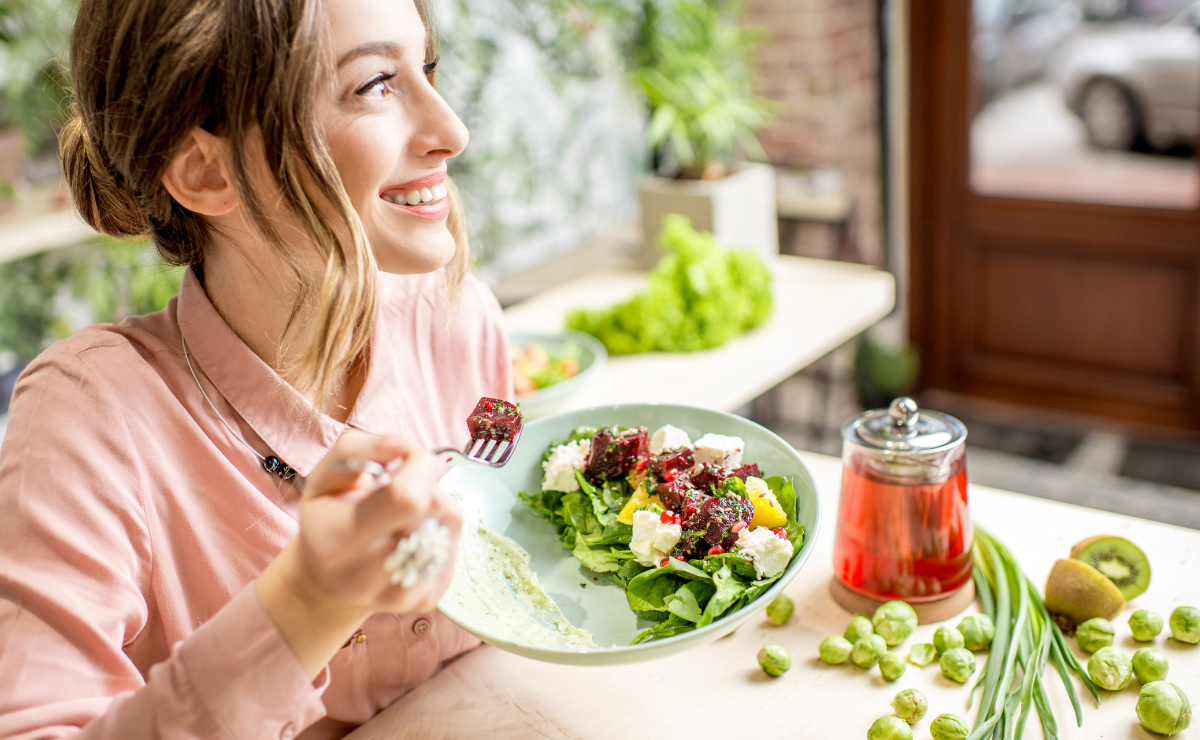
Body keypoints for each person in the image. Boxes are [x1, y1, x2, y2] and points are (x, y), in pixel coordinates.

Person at [0, 0, 512, 737]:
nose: (452, 131)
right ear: (206, 171)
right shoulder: (90, 416)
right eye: (375, 84)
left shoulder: (459, 319)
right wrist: (308, 602)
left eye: (426, 68)